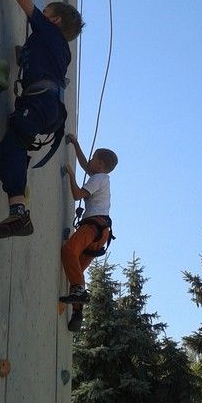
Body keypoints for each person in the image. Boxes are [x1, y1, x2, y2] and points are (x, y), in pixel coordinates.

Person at [0, 0, 83, 240]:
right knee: (8, 152)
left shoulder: (49, 33)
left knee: (13, 145)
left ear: (52, 20)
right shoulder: (56, 47)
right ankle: (18, 211)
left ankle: (21, 215)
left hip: (41, 102)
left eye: (46, 14)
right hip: (47, 106)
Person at [59, 135, 118, 331]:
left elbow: (77, 195)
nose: (89, 162)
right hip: (100, 235)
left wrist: (70, 174)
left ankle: (78, 293)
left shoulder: (99, 178)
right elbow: (86, 165)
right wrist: (75, 144)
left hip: (93, 227)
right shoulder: (101, 178)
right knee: (75, 270)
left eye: (93, 159)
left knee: (68, 251)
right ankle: (77, 313)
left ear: (100, 164)